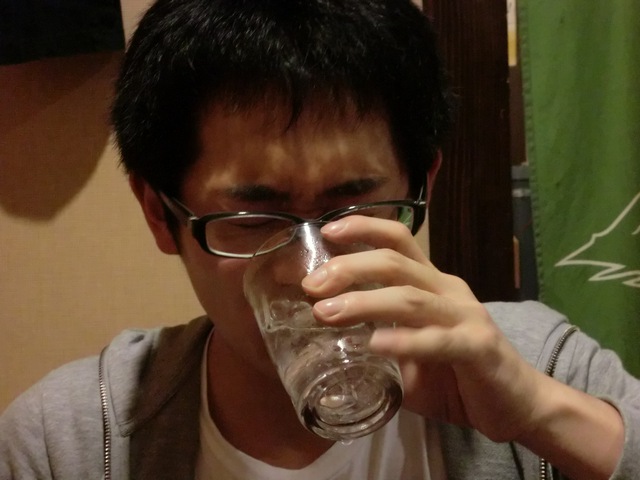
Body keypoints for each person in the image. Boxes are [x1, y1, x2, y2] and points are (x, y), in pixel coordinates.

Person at [1, 0, 639, 478]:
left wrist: (537, 414)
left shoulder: (544, 364)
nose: (312, 274)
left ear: (423, 186)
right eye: (254, 219)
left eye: (354, 208)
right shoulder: (67, 441)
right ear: (157, 213)